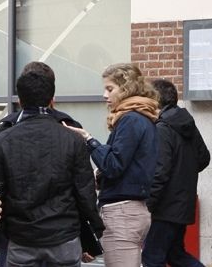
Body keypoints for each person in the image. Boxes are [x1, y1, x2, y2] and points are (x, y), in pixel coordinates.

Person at [0, 62, 105, 266]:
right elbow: (84, 192)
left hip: (22, 237)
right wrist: (95, 228)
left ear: (20, 101)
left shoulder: (4, 137)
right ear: (52, 100)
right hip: (63, 236)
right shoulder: (72, 136)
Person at [64, 63, 160, 267]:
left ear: (126, 89)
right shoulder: (141, 118)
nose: (104, 95)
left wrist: (89, 140)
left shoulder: (131, 119)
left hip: (122, 213)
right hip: (131, 210)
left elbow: (113, 165)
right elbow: (126, 165)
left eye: (110, 89)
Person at [143, 79, 211, 267]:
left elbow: (160, 171)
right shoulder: (186, 123)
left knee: (152, 258)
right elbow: (204, 158)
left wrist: (148, 205)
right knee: (176, 255)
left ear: (155, 100)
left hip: (165, 208)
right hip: (182, 205)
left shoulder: (162, 128)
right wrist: (183, 173)